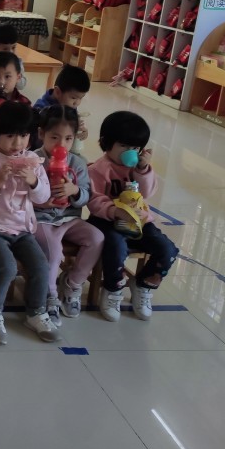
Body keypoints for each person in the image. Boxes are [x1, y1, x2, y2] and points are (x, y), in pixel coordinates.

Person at [0, 102, 62, 345]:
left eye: (24, 135)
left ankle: (36, 312)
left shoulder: (33, 160)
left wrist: (33, 182)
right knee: (7, 267)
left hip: (22, 229)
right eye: (10, 136)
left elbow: (42, 197)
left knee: (41, 265)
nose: (18, 143)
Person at [87, 111, 179, 323]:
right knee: (116, 247)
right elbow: (94, 200)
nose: (130, 152)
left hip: (139, 222)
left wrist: (143, 168)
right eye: (124, 146)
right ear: (106, 143)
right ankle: (113, 289)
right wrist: (114, 210)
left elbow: (147, 192)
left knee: (167, 249)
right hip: (107, 222)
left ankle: (143, 285)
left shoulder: (138, 168)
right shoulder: (98, 170)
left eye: (136, 148)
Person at [32, 105, 104, 324]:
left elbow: (87, 197)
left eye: (68, 139)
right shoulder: (33, 160)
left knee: (96, 238)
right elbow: (21, 194)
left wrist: (75, 191)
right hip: (41, 219)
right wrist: (41, 201)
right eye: (54, 137)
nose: (61, 145)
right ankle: (50, 296)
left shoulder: (77, 163)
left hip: (69, 219)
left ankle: (72, 284)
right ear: (41, 134)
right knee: (54, 250)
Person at [33, 65, 91, 152]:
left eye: (81, 98)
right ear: (57, 92)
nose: (77, 103)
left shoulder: (69, 106)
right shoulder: (40, 110)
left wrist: (79, 132)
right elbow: (35, 140)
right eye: (73, 98)